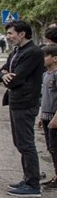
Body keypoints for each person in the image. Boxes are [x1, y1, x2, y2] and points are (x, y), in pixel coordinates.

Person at [0, 19, 45, 196]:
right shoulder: (17, 51)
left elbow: (17, 78)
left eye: (10, 33)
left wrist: (8, 77)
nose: (8, 37)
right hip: (16, 102)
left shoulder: (33, 52)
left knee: (26, 143)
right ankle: (28, 178)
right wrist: (4, 74)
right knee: (20, 142)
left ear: (22, 34)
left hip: (26, 103)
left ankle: (33, 184)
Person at [40, 44, 57, 189]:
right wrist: (41, 116)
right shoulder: (46, 75)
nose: (43, 59)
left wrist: (55, 118)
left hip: (54, 118)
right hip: (46, 116)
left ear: (55, 58)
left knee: (55, 148)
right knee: (51, 148)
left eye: (46, 56)